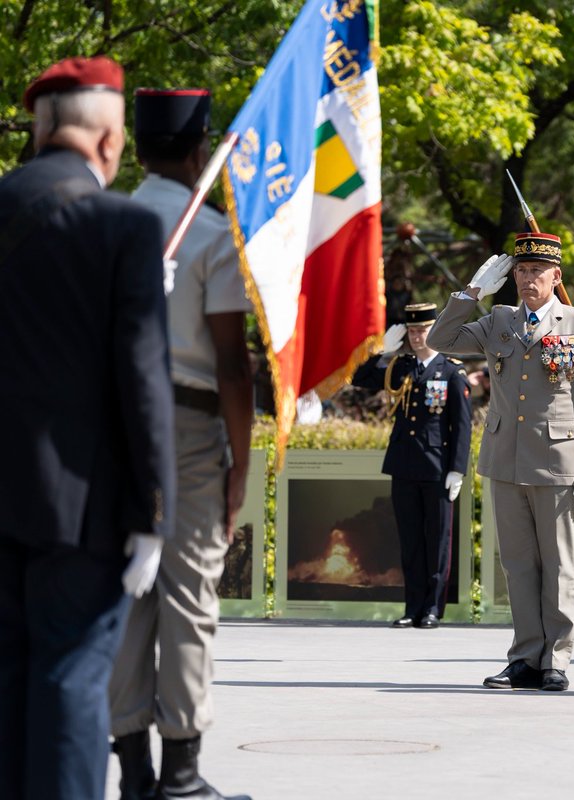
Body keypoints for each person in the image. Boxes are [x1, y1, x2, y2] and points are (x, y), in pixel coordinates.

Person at [0, 57, 176, 800]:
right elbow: (142, 382)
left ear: (41, 131)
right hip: (82, 511)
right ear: (109, 140)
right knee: (70, 687)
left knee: (7, 691)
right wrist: (153, 512)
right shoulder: (124, 225)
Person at [107, 88, 254, 800]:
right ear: (200, 153)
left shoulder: (105, 222)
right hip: (190, 431)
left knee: (128, 594)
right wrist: (241, 459)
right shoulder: (211, 235)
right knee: (189, 594)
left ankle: (132, 768)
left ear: (136, 151)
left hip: (113, 429)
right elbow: (232, 362)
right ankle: (183, 774)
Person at [427, 233, 574, 692]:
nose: (528, 280)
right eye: (521, 272)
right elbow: (440, 338)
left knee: (560, 564)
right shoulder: (498, 321)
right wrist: (471, 293)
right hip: (506, 461)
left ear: (556, 276)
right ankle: (526, 656)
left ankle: (557, 659)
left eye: (537, 272)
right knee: (519, 565)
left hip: (559, 461)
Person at [350, 302, 471, 629]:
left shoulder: (451, 371)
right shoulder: (401, 367)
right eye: (413, 331)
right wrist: (382, 352)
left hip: (437, 468)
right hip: (404, 465)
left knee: (437, 543)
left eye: (424, 330)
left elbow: (462, 425)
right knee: (411, 542)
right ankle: (412, 606)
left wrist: (457, 469)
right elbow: (360, 378)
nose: (418, 337)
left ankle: (432, 607)